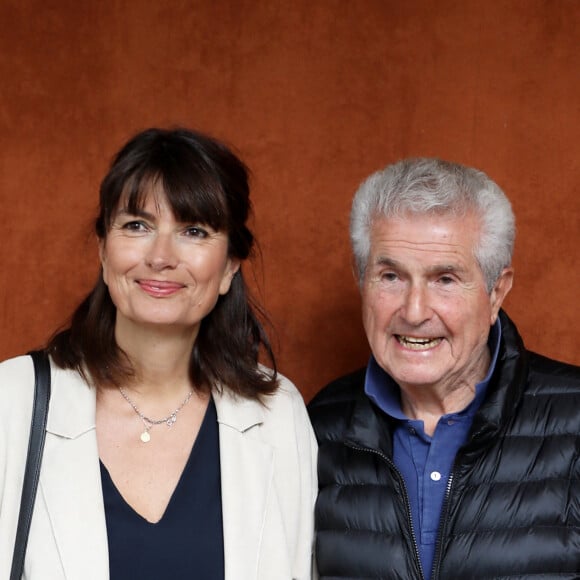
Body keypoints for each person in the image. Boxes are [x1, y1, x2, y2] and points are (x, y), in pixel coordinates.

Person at [0, 128, 317, 579]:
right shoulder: (12, 401)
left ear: (229, 266)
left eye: (193, 230)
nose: (161, 256)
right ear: (103, 251)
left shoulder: (277, 415)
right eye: (137, 226)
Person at [308, 158, 580, 579]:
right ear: (361, 280)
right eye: (391, 276)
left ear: (496, 292)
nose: (414, 312)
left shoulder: (575, 418)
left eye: (445, 279)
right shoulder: (316, 429)